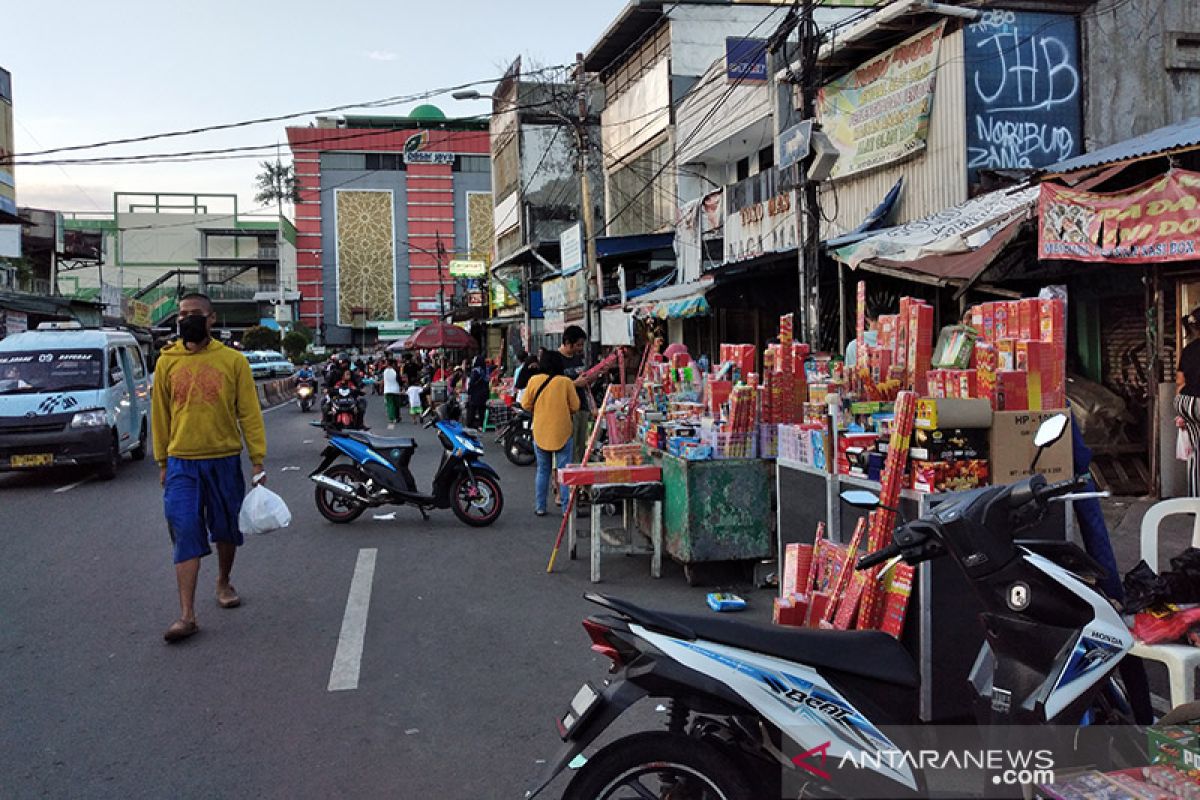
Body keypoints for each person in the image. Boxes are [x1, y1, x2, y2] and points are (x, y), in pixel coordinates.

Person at [151, 292, 267, 644]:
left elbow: (249, 412)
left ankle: (223, 580)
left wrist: (257, 460)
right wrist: (163, 461)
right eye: (182, 314)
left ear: (211, 318)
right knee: (184, 528)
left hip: (224, 459)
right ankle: (186, 615)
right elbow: (161, 416)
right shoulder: (166, 362)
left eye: (194, 313)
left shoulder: (233, 361)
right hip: (182, 464)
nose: (187, 319)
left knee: (226, 529)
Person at [522, 350, 580, 517]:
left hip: (540, 430)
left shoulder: (534, 380)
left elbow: (526, 404)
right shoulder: (566, 382)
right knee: (563, 471)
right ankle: (566, 509)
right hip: (562, 431)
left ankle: (540, 506)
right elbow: (575, 406)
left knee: (543, 470)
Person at [560, 325, 597, 464]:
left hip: (582, 406)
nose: (581, 348)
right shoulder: (556, 360)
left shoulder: (577, 359)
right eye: (578, 345)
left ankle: (578, 479)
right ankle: (569, 480)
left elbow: (584, 381)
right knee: (571, 447)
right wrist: (575, 383)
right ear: (568, 343)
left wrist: (595, 375)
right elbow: (555, 386)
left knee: (581, 447)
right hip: (568, 410)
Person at [1177, 308, 1200, 495]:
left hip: (1186, 402)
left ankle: (1194, 501)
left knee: (1195, 452)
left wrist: (1180, 412)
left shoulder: (1188, 349)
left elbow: (1180, 381)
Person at [465, 354, 490, 429]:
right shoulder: (485, 370)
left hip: (475, 394)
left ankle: (470, 424)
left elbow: (471, 383)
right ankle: (481, 425)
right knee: (481, 410)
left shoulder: (475, 371)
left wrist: (469, 392)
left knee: (472, 409)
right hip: (484, 393)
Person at [383, 358, 402, 428]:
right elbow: (399, 380)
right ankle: (397, 417)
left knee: (390, 405)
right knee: (396, 405)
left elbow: (384, 381)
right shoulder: (396, 370)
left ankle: (392, 418)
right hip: (396, 390)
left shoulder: (385, 371)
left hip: (387, 390)